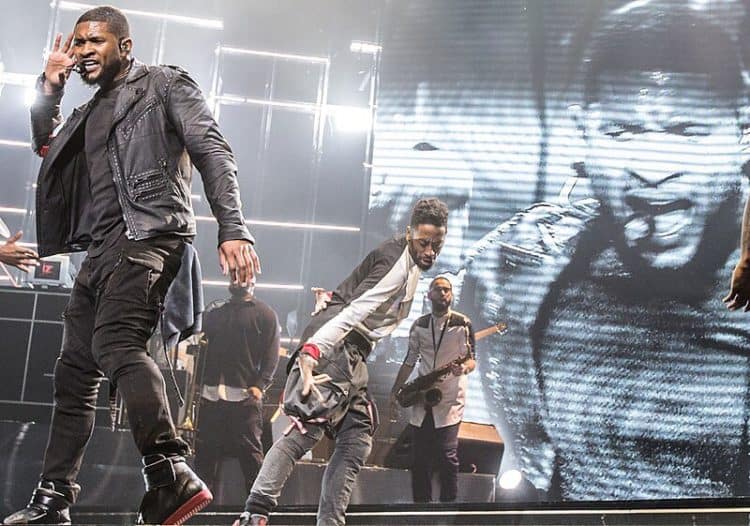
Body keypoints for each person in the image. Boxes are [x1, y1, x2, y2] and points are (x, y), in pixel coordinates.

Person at [462, 3, 750, 500]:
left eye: (686, 131)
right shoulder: (513, 272)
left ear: (743, 131)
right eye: (622, 131)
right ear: (584, 133)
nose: (654, 169)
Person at [3, 5, 259, 525]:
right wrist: (49, 89)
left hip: (149, 237)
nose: (82, 51)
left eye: (94, 41)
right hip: (99, 252)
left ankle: (170, 471)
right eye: (76, 44)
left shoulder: (163, 84)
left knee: (116, 345)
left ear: (125, 45)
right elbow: (44, 146)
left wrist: (233, 228)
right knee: (73, 374)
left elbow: (212, 150)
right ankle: (54, 498)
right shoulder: (86, 113)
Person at [236, 198, 449, 526]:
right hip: (337, 346)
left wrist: (331, 299)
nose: (430, 251)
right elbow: (355, 310)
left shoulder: (411, 261)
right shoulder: (397, 262)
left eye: (437, 244)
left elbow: (350, 296)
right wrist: (312, 351)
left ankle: (329, 521)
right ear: (409, 233)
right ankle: (254, 514)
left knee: (357, 435)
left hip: (353, 353)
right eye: (424, 242)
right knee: (307, 428)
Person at [389, 276, 475, 503]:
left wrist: (462, 369)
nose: (443, 293)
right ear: (428, 295)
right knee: (419, 460)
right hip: (423, 396)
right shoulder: (419, 325)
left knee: (447, 457)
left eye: (447, 290)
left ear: (452, 294)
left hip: (449, 398)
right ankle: (421, 509)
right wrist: (395, 391)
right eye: (438, 289)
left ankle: (447, 508)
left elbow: (472, 360)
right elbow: (409, 360)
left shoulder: (462, 323)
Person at [194, 278, 281, 496]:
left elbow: (272, 356)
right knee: (205, 457)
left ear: (252, 280)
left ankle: (256, 511)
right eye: (233, 275)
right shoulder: (215, 313)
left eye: (242, 275)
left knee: (251, 458)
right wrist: (199, 382)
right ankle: (201, 514)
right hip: (211, 395)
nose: (237, 279)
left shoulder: (265, 314)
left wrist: (260, 386)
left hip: (244, 397)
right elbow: (203, 349)